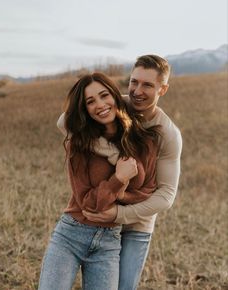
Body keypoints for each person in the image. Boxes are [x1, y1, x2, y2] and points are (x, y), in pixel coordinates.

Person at [57, 54, 182, 290]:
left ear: (163, 89)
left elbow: (166, 195)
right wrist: (113, 156)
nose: (137, 90)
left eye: (147, 85)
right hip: (97, 217)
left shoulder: (168, 134)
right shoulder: (114, 104)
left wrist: (119, 214)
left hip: (135, 224)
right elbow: (64, 122)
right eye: (134, 82)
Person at [39, 72, 161, 290]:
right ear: (85, 109)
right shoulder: (79, 144)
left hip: (109, 242)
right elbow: (88, 203)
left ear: (115, 96)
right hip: (71, 235)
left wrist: (120, 194)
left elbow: (148, 191)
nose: (100, 105)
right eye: (90, 101)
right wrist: (119, 179)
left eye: (104, 95)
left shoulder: (144, 141)